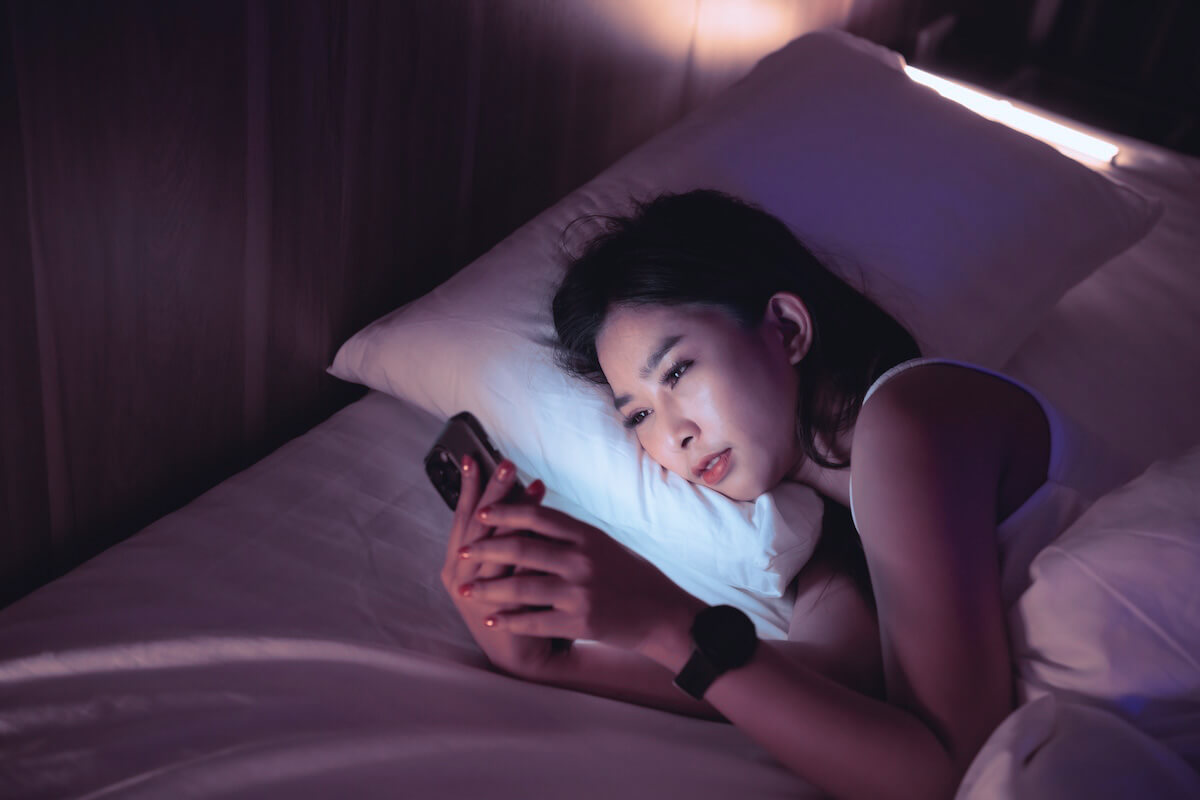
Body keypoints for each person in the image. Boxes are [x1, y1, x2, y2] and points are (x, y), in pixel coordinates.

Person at [440, 189, 1052, 800]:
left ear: (785, 329)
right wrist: (556, 662)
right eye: (638, 416)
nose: (673, 433)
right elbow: (824, 685)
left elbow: (948, 771)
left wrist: (662, 618)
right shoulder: (827, 531)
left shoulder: (909, 420)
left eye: (677, 372)